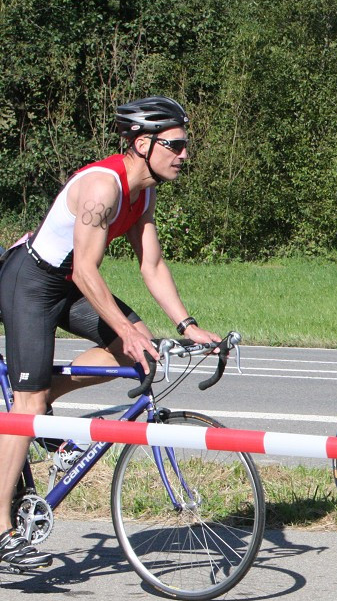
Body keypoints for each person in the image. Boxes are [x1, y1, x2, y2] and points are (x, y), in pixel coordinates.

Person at [0, 96, 221, 570]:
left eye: (186, 145)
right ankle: (2, 528)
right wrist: (124, 326)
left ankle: (43, 402)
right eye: (175, 145)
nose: (185, 155)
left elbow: (152, 264)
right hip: (33, 281)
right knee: (28, 404)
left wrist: (188, 325)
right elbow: (84, 269)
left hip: (68, 284)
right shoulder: (103, 187)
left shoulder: (145, 192)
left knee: (142, 353)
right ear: (143, 144)